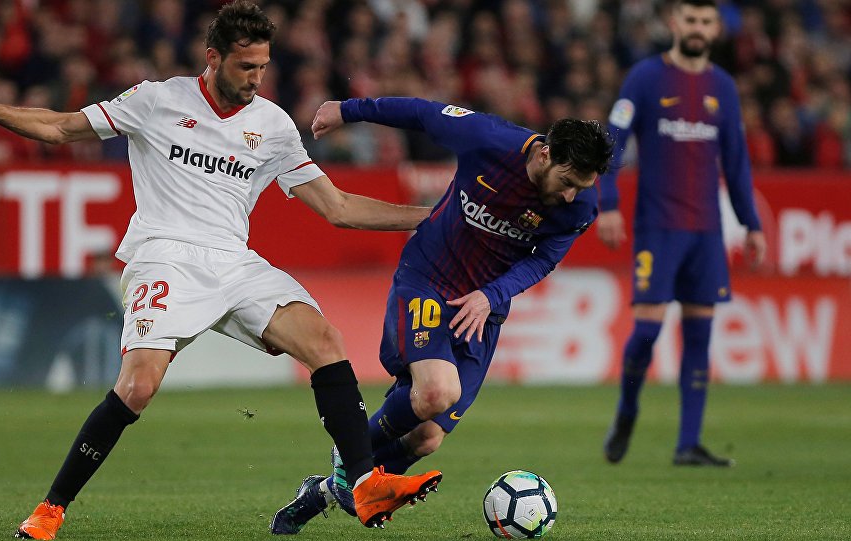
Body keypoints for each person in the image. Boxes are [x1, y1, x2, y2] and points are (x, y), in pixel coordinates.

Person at [0, 2, 443, 539]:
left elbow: (337, 207)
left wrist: (432, 217)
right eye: (246, 66)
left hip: (234, 261)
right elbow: (62, 127)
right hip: (165, 255)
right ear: (213, 57)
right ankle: (50, 509)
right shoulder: (157, 100)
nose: (256, 79)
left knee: (325, 341)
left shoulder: (272, 125)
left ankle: (364, 484)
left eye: (263, 67)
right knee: (138, 387)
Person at [270, 97, 613, 534]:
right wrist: (349, 111)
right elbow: (421, 113)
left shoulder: (580, 205)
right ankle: (351, 458)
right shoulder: (488, 139)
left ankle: (326, 490)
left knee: (427, 437)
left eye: (581, 186)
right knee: (436, 392)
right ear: (545, 154)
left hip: (481, 309)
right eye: (566, 182)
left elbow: (543, 259)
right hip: (428, 279)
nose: (569, 195)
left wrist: (490, 296)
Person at [596, 0, 767, 467]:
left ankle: (688, 443)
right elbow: (612, 143)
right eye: (690, 20)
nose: (697, 28)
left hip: (706, 231)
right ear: (674, 23)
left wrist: (751, 223)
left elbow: (736, 161)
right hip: (659, 226)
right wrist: (608, 204)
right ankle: (627, 408)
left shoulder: (723, 87)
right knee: (647, 330)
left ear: (716, 29)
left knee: (699, 333)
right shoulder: (645, 78)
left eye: (705, 22)